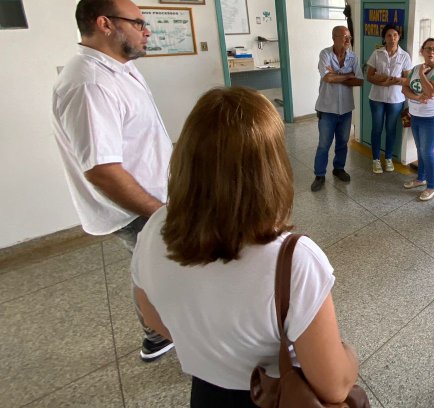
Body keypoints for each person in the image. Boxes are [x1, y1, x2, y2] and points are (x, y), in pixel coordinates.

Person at [131, 87, 360, 407]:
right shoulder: (294, 260)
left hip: (206, 393)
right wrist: (348, 354)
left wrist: (210, 344)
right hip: (273, 396)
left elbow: (153, 318)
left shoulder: (155, 228)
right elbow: (334, 386)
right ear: (272, 169)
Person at [51, 0, 174, 362]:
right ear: (105, 24)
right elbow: (102, 170)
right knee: (156, 270)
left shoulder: (119, 66)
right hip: (136, 206)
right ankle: (160, 334)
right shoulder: (91, 83)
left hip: (153, 194)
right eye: (137, 23)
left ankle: (161, 331)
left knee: (152, 266)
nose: (146, 31)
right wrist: (158, 212)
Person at [311, 25, 364, 192]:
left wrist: (338, 75)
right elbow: (326, 78)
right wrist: (348, 75)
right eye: (344, 37)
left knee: (342, 142)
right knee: (324, 144)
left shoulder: (353, 57)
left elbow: (360, 81)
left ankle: (338, 168)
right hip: (327, 108)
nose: (348, 40)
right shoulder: (325, 54)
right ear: (334, 38)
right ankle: (319, 175)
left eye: (349, 37)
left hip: (346, 109)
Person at [402, 38, 434, 201]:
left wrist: (422, 74)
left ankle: (431, 186)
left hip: (432, 117)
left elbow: (431, 92)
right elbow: (404, 88)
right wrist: (416, 96)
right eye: (428, 48)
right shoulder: (415, 68)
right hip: (416, 115)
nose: (431, 52)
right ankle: (420, 178)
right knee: (420, 149)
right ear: (422, 51)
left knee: (427, 152)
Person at [366, 24, 412, 174]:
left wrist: (394, 80)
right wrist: (385, 81)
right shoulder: (377, 53)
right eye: (388, 35)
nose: (392, 38)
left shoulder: (405, 56)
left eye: (395, 35)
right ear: (384, 38)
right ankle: (376, 160)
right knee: (377, 128)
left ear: (399, 37)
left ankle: (389, 158)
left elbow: (407, 80)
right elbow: (369, 76)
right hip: (377, 98)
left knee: (391, 129)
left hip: (396, 99)